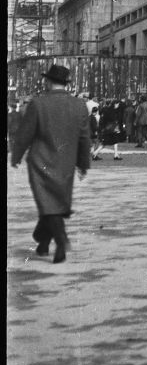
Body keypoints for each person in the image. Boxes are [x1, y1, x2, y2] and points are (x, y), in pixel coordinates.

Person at [9, 63, 91, 264]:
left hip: (40, 163)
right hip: (65, 163)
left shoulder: (38, 103)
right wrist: (83, 164)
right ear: (66, 84)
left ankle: (61, 241)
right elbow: (84, 138)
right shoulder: (79, 105)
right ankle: (43, 243)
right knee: (55, 204)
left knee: (47, 205)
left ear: (48, 81)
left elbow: (25, 134)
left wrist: (16, 156)